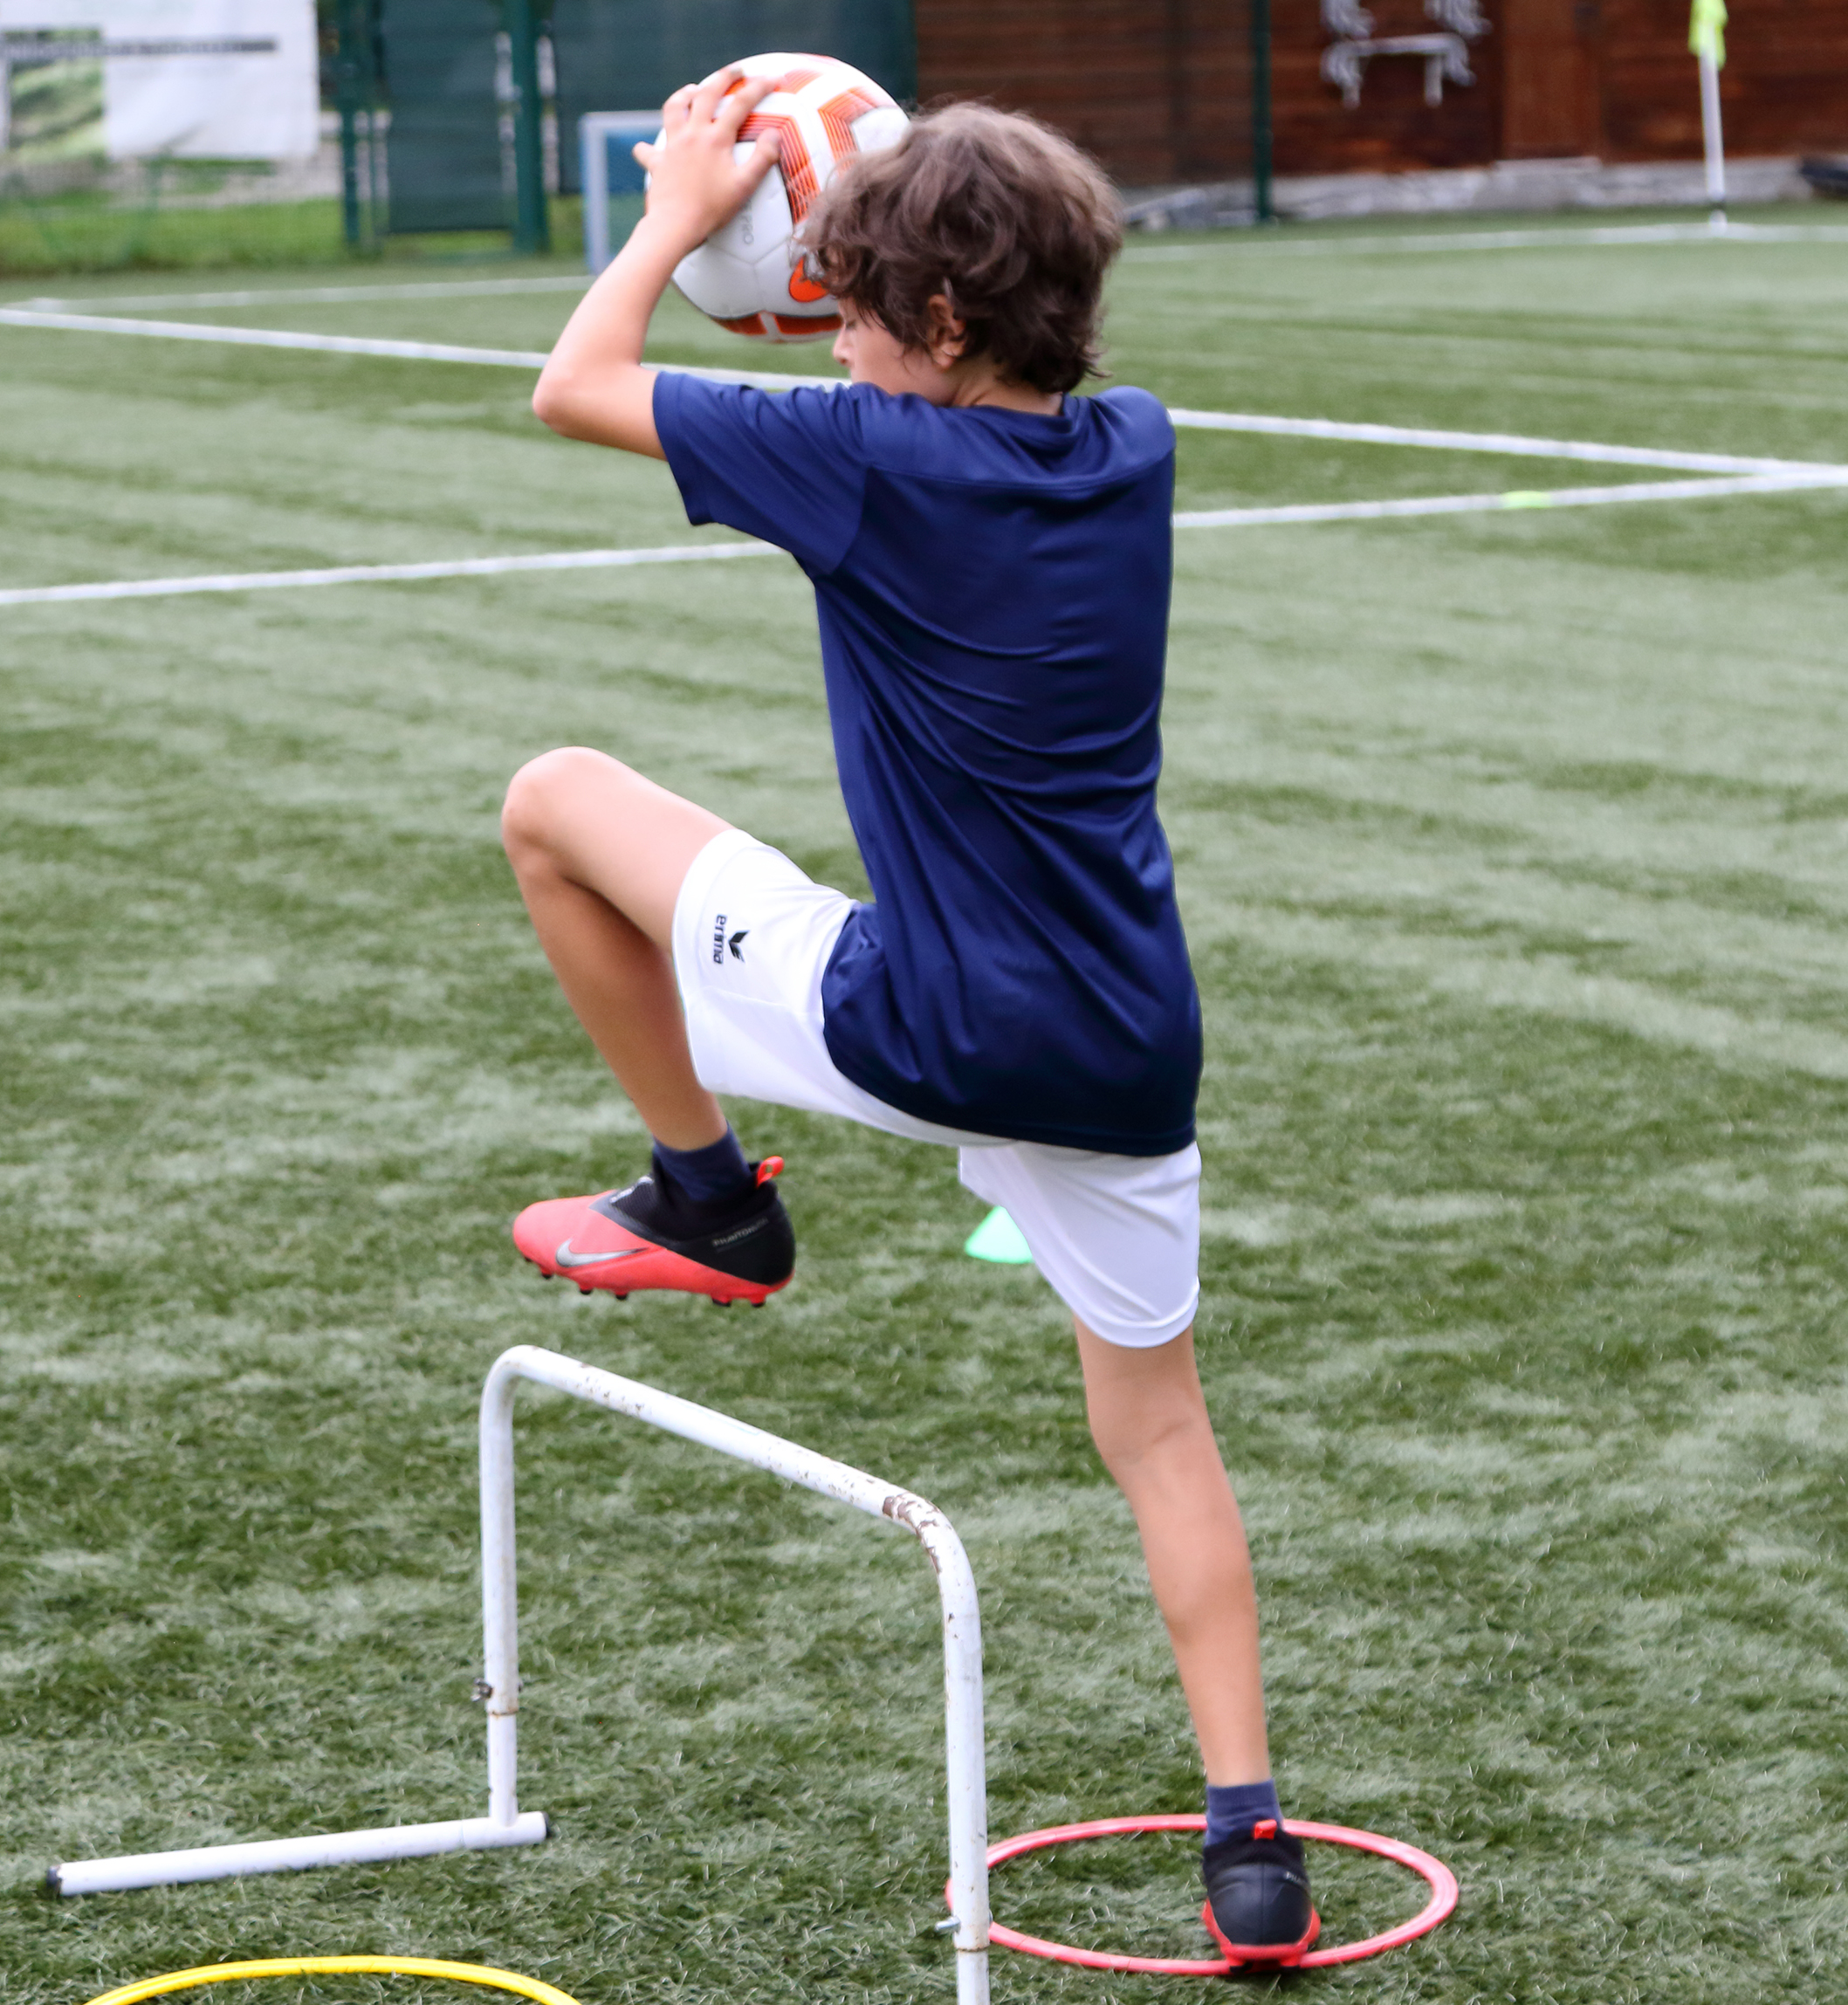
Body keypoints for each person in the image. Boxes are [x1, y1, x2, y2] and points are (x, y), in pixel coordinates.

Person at [501, 72, 1317, 1964]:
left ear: (942, 329)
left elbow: (570, 383)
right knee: (1163, 1433)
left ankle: (707, 1198)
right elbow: (954, 347)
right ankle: (1249, 1841)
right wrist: (859, 226)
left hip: (919, 1021)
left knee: (554, 801)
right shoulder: (1133, 446)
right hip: (1125, 1044)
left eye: (852, 310)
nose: (831, 341)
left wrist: (673, 210)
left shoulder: (868, 459)